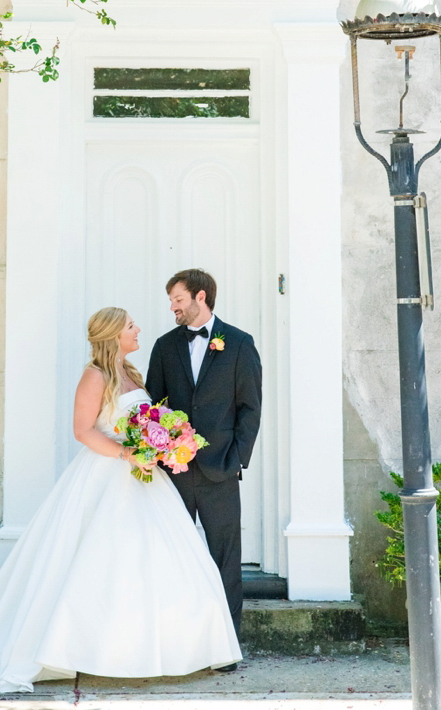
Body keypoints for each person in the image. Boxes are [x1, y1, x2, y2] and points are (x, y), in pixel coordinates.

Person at [0, 307, 240, 695]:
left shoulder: (131, 373)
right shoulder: (95, 375)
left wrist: (161, 443)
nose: (138, 330)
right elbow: (83, 430)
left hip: (144, 480)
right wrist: (128, 454)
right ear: (112, 335)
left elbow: (144, 420)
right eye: (130, 326)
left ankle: (172, 648)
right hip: (108, 474)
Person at [146, 268, 263, 639]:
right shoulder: (164, 347)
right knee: (172, 555)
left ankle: (226, 641)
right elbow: (154, 407)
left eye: (178, 300)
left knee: (225, 559)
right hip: (174, 473)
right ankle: (177, 639)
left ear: (201, 297)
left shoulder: (240, 344)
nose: (173, 308)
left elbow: (250, 408)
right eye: (171, 302)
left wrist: (237, 458)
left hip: (220, 471)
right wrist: (163, 452)